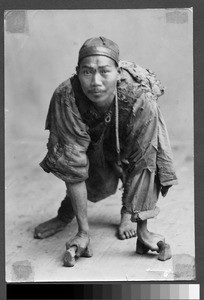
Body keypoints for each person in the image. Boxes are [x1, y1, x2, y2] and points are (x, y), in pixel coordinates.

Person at [34, 37, 178, 266]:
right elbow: (73, 167)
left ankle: (128, 214)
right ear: (77, 72)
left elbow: (145, 162)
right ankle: (66, 215)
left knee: (140, 162)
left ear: (118, 71)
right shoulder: (66, 96)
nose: (96, 82)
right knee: (88, 177)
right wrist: (83, 233)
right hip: (92, 144)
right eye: (87, 72)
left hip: (128, 139)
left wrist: (142, 227)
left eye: (104, 71)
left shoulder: (140, 96)